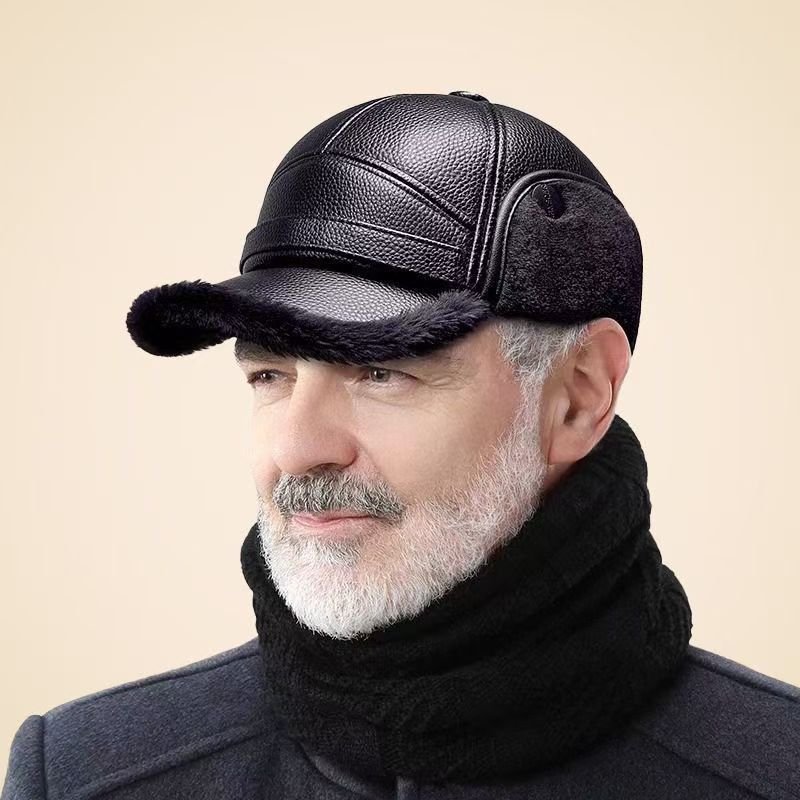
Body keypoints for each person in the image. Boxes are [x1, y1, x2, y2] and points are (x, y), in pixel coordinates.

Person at [3, 91, 798, 799]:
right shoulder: (80, 774)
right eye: (270, 375)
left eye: (380, 372)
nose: (297, 449)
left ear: (578, 397)